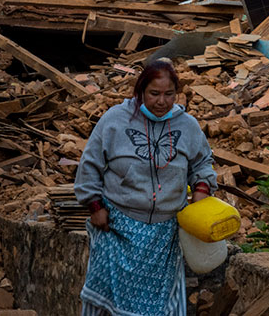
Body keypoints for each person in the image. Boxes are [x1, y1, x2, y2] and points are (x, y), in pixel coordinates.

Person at [74, 59, 218, 316]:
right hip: (118, 227)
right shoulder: (116, 120)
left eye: (169, 94)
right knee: (107, 302)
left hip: (165, 235)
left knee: (160, 306)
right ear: (140, 91)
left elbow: (202, 163)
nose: (161, 101)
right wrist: (94, 205)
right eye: (154, 94)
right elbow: (90, 165)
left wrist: (202, 190)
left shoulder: (187, 126)